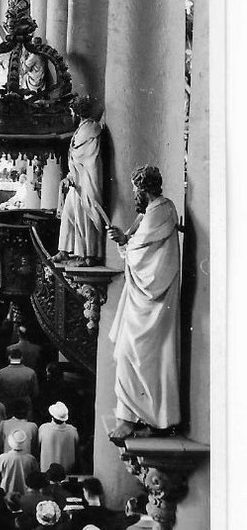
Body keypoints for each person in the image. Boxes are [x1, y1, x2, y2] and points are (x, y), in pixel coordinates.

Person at [107, 164, 181, 439]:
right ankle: (130, 416)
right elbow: (134, 244)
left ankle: (148, 418)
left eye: (136, 189)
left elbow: (138, 254)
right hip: (142, 299)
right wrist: (125, 238)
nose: (134, 194)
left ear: (144, 189)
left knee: (138, 356)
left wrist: (125, 241)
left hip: (153, 301)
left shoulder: (160, 211)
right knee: (130, 356)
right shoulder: (152, 212)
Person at [54, 96, 104, 264]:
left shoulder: (91, 130)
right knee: (68, 214)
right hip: (77, 180)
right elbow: (76, 159)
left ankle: (89, 254)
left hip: (86, 181)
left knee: (83, 217)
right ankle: (64, 251)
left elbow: (88, 158)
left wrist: (75, 175)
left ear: (77, 112)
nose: (71, 115)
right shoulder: (82, 129)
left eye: (72, 112)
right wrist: (69, 176)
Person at [38, 402, 79, 473]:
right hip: (66, 472)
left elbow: (37, 446)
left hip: (47, 472)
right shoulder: (73, 431)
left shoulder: (43, 428)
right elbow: (77, 448)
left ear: (52, 415)